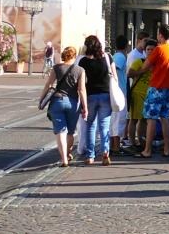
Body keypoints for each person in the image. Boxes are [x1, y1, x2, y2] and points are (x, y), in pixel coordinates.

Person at [41, 45, 86, 167]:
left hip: (57, 102)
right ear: (74, 56)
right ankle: (68, 153)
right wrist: (85, 107)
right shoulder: (80, 70)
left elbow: (48, 85)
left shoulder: (56, 68)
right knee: (70, 133)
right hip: (73, 103)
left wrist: (41, 99)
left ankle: (64, 159)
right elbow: (82, 90)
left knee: (60, 132)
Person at [139, 25, 169, 159]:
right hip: (168, 87)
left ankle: (147, 150)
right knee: (165, 118)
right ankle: (166, 149)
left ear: (160, 35)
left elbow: (145, 67)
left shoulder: (159, 49)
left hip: (156, 87)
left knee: (151, 119)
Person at [78, 35, 114, 166]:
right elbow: (114, 76)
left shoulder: (83, 62)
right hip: (106, 95)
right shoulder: (108, 58)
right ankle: (105, 152)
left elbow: (81, 82)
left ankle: (90, 156)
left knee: (90, 126)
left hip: (90, 96)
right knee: (104, 126)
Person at [110, 36, 130, 154]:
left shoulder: (116, 56)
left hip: (117, 92)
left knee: (115, 120)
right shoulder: (120, 57)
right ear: (126, 46)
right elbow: (115, 69)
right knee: (119, 120)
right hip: (119, 92)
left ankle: (113, 146)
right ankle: (116, 147)